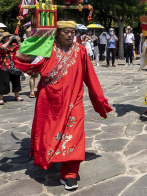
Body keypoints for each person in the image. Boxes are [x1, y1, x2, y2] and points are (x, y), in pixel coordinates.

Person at [14, 20, 112, 191]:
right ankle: (49, 158)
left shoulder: (80, 50)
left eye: (72, 32)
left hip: (74, 101)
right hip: (49, 103)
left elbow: (90, 77)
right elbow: (22, 57)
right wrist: (38, 39)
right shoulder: (46, 49)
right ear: (57, 33)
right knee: (49, 135)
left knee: (74, 136)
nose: (69, 35)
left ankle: (69, 175)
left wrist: (99, 99)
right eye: (66, 32)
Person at [0, 32, 23, 105]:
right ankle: (0, 97)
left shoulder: (14, 45)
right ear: (3, 38)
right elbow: (1, 49)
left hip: (14, 65)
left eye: (9, 37)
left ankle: (17, 95)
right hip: (4, 65)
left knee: (16, 80)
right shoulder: (0, 45)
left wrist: (19, 42)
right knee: (4, 81)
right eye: (7, 37)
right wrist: (8, 41)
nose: (9, 38)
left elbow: (22, 50)